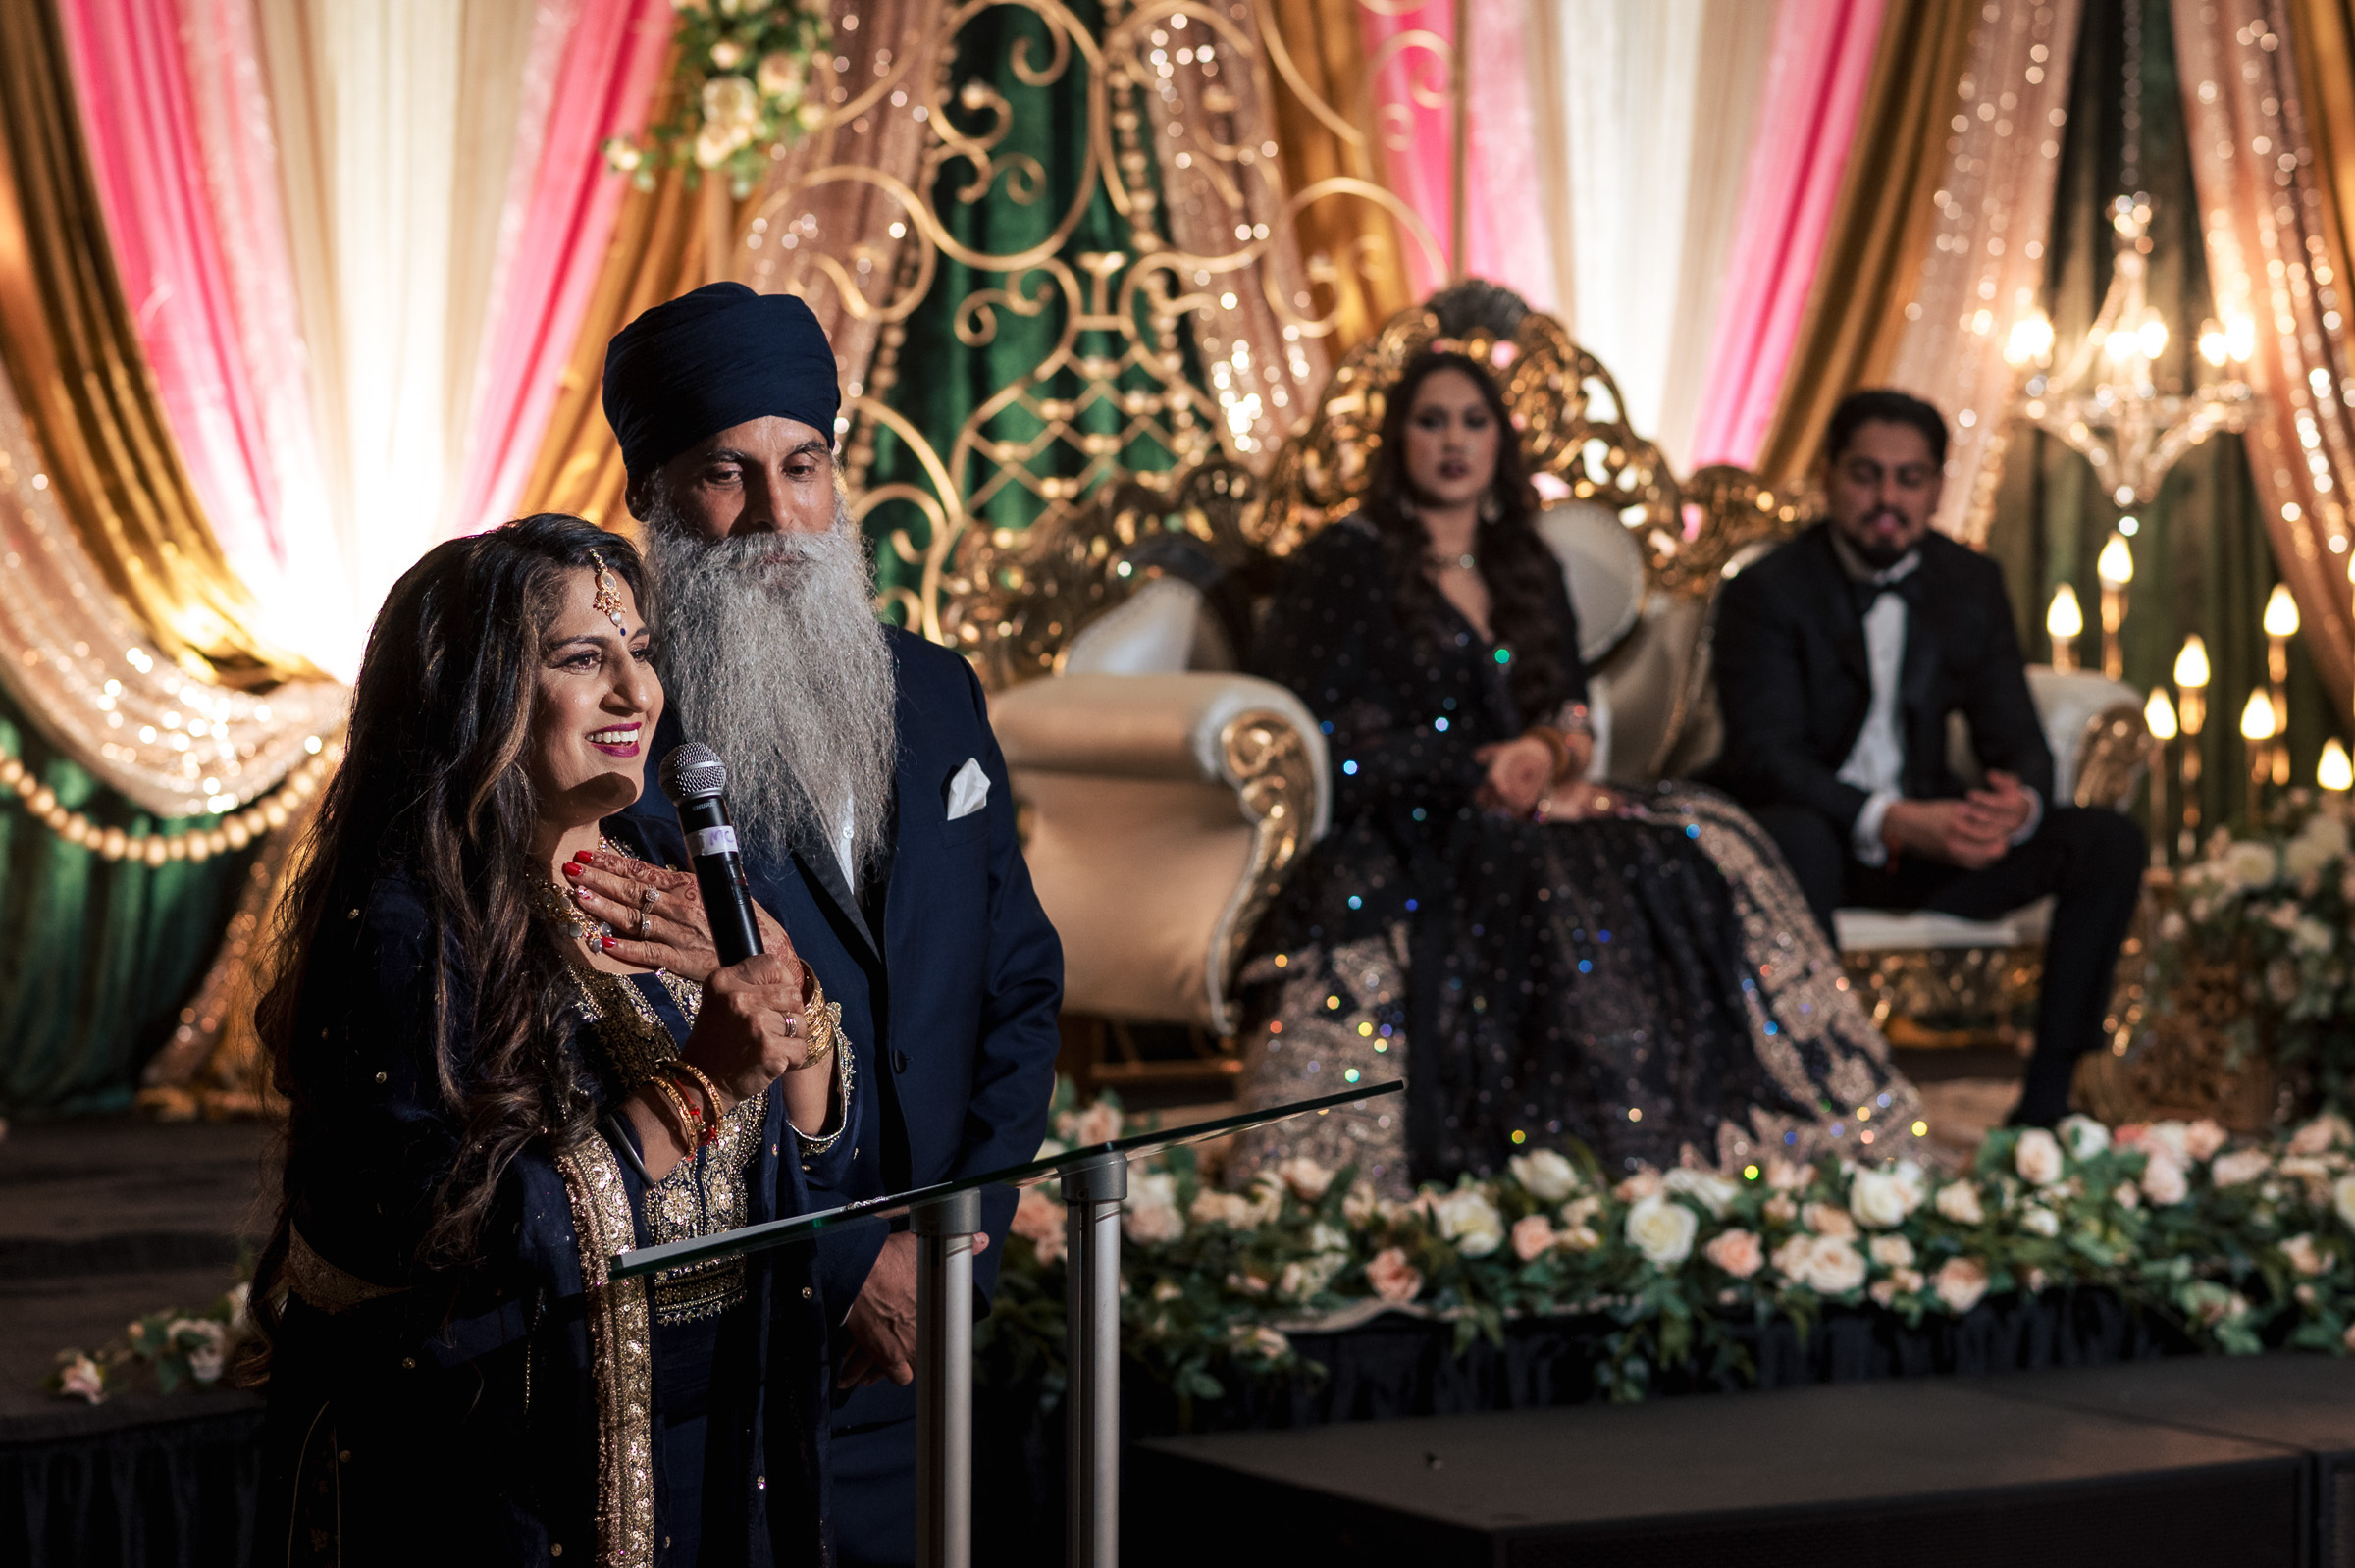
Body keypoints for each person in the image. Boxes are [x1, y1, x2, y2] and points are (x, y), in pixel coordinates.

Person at [247, 516, 856, 1566]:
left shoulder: (669, 875)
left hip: (719, 1457)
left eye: (642, 652)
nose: (638, 693)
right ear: (480, 693)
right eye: (585, 658)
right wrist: (700, 1084)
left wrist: (788, 995)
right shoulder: (411, 929)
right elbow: (451, 1241)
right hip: (511, 1483)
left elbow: (816, 1158)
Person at [568, 282, 1063, 1568]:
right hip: (740, 1351)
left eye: (805, 465)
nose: (780, 517)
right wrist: (854, 1264)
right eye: (728, 475)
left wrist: (963, 1246)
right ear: (650, 497)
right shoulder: (619, 742)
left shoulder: (938, 694)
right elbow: (630, 1062)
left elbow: (1016, 983)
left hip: (936, 1326)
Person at [1230, 350, 1926, 1196]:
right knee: (1544, 877)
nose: (1454, 442)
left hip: (1536, 799)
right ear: (1396, 440)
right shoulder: (1344, 566)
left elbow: (1566, 711)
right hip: (1408, 812)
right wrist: (1476, 771)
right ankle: (1570, 1157)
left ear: (1501, 444)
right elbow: (1322, 728)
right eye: (1431, 420)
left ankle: (1734, 1138)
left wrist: (1548, 758)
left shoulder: (1524, 560)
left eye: (1474, 422)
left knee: (1703, 834)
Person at [1707, 389, 2145, 1127]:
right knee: (1794, 834)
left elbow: (2018, 741)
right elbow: (1764, 756)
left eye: (1910, 479)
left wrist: (2020, 805)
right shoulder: (1766, 591)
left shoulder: (1968, 582)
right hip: (1824, 844)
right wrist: (1896, 819)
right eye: (1866, 475)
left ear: (1938, 486)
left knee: (2107, 842)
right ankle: (1814, 1102)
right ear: (1829, 478)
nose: (1888, 499)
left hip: (1937, 854)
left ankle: (2045, 1105)